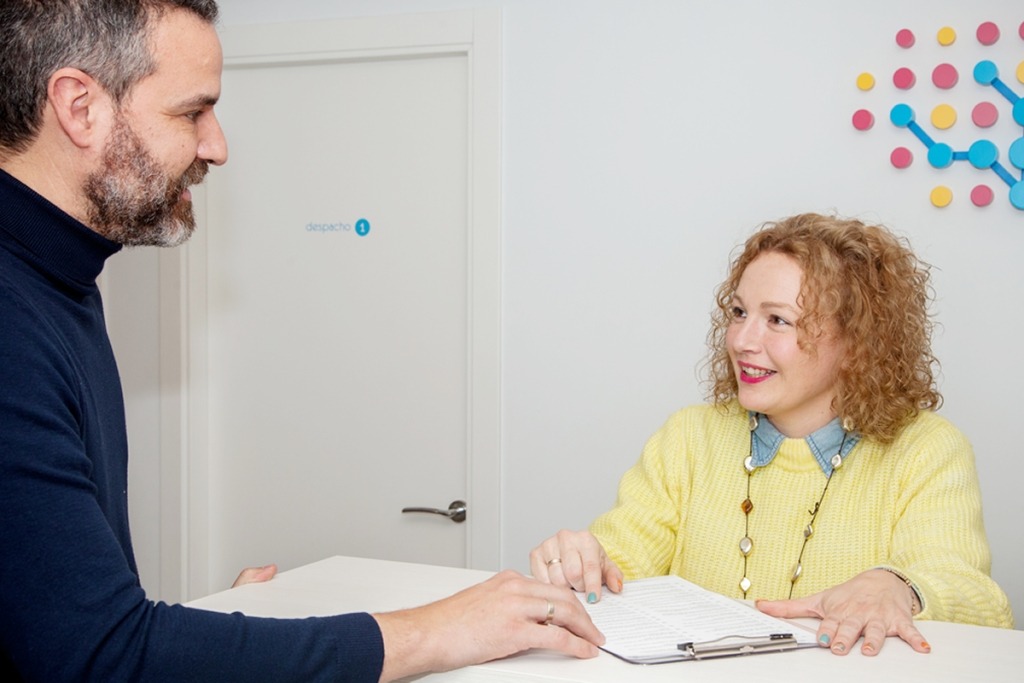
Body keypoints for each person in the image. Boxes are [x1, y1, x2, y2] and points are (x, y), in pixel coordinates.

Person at [0, 1, 603, 681]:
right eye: (191, 112)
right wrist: (437, 630)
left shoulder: (61, 280)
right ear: (79, 108)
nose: (216, 145)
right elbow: (104, 655)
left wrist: (216, 634)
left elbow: (63, 622)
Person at [531, 213, 1014, 657]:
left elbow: (977, 598)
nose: (742, 340)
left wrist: (900, 587)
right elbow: (622, 560)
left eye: (778, 320)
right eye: (739, 313)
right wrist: (583, 561)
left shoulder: (926, 450)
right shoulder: (689, 438)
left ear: (855, 346)